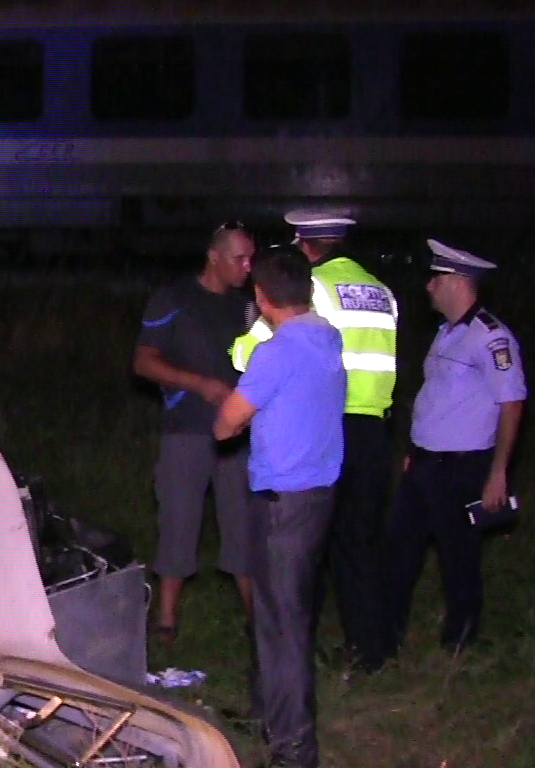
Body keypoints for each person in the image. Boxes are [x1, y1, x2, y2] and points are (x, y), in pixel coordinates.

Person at [235, 211, 399, 671]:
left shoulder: (312, 289)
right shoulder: (381, 291)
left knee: (304, 542)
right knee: (361, 541)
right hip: (374, 428)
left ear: (303, 246)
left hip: (326, 422)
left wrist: (235, 347)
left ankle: (293, 653)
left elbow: (256, 351)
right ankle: (370, 648)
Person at [214, 244, 345, 768]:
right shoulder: (327, 337)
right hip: (317, 494)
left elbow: (228, 422)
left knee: (282, 625)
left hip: (284, 504)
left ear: (262, 296)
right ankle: (271, 713)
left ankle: (293, 750)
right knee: (283, 614)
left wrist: (234, 409)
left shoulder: (278, 352)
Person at [378, 239, 525, 659]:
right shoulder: (445, 334)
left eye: (436, 279)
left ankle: (458, 646)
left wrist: (498, 472)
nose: (428, 287)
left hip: (462, 468)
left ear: (458, 283)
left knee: (458, 559)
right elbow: (436, 398)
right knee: (398, 552)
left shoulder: (490, 338)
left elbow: (511, 403)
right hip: (424, 463)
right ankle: (385, 641)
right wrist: (414, 449)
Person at [134, 222, 256, 641]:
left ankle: (257, 619)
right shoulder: (174, 299)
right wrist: (200, 384)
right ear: (214, 257)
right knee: (178, 520)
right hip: (185, 430)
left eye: (251, 258)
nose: (247, 267)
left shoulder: (248, 307)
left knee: (242, 522)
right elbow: (144, 362)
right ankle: (166, 621)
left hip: (238, 435)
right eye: (240, 258)